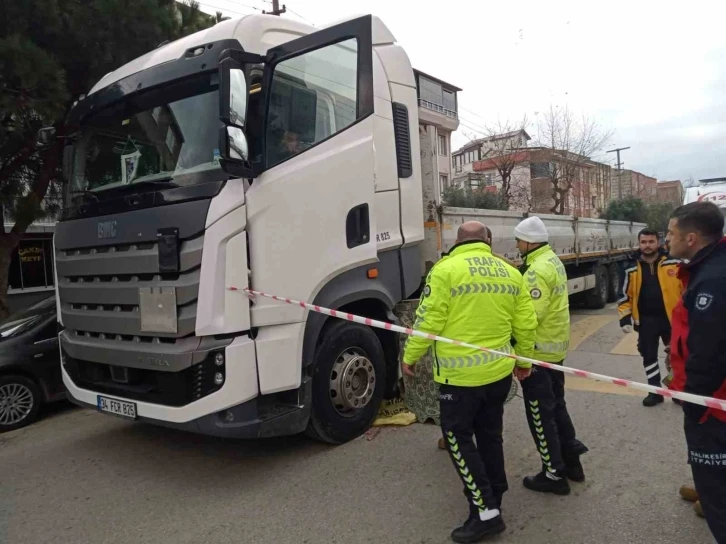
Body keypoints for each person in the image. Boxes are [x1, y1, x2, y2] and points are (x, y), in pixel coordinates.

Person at [402, 221, 537, 543]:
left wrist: (410, 356)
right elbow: (526, 323)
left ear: (456, 241)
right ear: (487, 241)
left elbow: (429, 319)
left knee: (458, 440)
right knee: (491, 435)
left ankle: (485, 512)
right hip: (499, 374)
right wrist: (524, 361)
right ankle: (496, 491)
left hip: (459, 378)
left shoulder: (446, 270)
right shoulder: (509, 272)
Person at [513, 216, 588, 495]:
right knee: (557, 406)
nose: (517, 245)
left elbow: (529, 318)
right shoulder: (552, 261)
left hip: (538, 353)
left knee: (540, 413)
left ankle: (554, 474)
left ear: (529, 241)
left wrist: (521, 358)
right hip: (555, 350)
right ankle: (572, 463)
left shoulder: (535, 271)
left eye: (519, 240)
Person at [665, 201, 726, 544]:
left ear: (691, 238)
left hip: (713, 403)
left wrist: (696, 405)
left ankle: (711, 488)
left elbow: (709, 354)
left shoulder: (713, 281)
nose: (665, 239)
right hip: (713, 399)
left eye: (670, 233)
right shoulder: (710, 267)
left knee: (718, 494)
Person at [617, 228, 682, 406]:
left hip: (672, 320)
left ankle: (678, 392)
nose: (647, 245)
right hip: (646, 321)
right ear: (639, 244)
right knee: (649, 356)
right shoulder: (630, 267)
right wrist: (625, 318)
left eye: (651, 242)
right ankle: (655, 392)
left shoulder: (674, 263)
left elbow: (686, 291)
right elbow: (624, 297)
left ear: (658, 242)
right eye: (643, 242)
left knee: (677, 357)